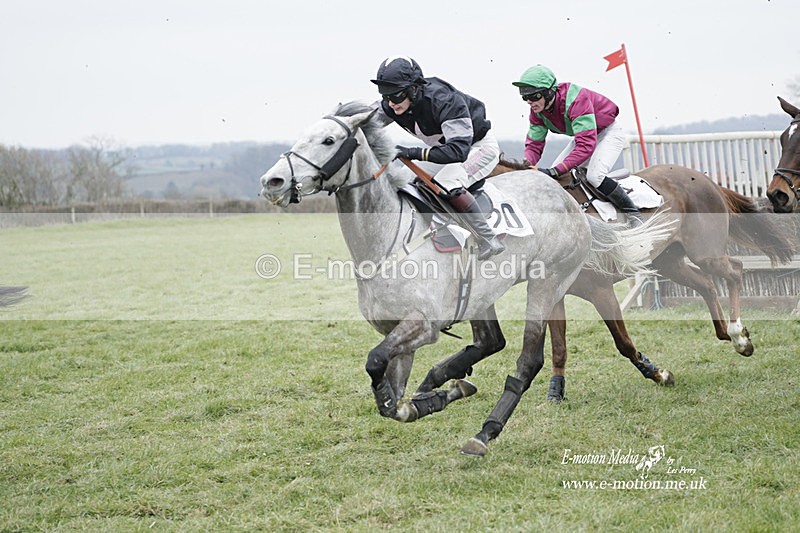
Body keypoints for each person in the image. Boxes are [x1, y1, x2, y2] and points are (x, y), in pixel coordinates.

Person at [370, 56, 505, 260]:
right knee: (402, 179)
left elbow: (458, 152)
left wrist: (411, 152)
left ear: (414, 89)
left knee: (447, 183)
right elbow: (364, 122)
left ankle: (488, 238)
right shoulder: (394, 103)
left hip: (477, 148)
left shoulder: (444, 100)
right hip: (444, 148)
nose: (390, 103)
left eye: (395, 96)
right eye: (385, 96)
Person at [513, 64, 643, 225]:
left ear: (549, 92)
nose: (529, 102)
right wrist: (526, 162)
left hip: (608, 132)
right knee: (556, 182)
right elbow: (534, 145)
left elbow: (586, 146)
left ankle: (634, 215)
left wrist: (556, 170)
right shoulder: (537, 111)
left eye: (534, 96)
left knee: (595, 176)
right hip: (584, 136)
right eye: (525, 98)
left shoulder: (575, 99)